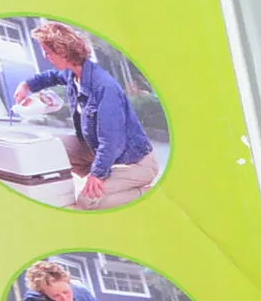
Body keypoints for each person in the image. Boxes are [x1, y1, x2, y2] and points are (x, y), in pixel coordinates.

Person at [14, 23, 160, 209]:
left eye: (48, 52)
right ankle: (104, 179)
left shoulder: (104, 87)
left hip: (136, 163)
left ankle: (145, 193)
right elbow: (51, 76)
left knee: (87, 202)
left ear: (63, 52)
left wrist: (97, 174)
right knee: (50, 147)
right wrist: (27, 85)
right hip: (101, 151)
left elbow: (111, 141)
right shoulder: (73, 73)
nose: (45, 56)